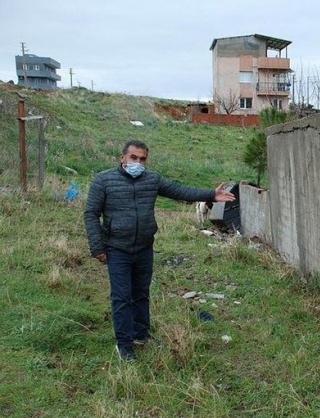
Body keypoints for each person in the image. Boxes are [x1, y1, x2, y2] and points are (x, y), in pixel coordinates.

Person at [84, 140, 235, 361]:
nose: (138, 162)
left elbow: (179, 190)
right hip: (117, 249)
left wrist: (210, 195)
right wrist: (97, 246)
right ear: (122, 158)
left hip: (144, 248)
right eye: (133, 158)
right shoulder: (103, 181)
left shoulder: (152, 179)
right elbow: (91, 214)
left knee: (141, 294)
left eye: (142, 159)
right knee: (122, 297)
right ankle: (124, 345)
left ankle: (140, 334)